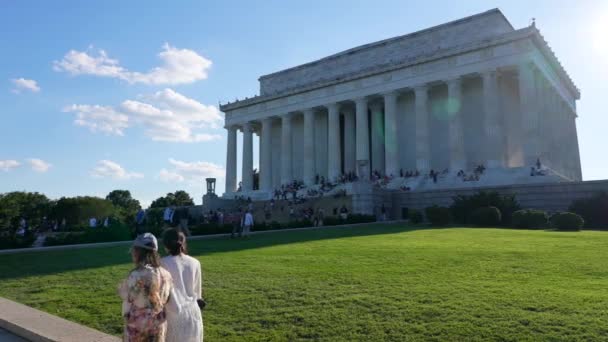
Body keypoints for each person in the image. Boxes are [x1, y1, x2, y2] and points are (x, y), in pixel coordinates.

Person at [118, 233, 173, 341]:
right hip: (158, 324)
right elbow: (167, 299)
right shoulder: (166, 274)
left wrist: (125, 315)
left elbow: (129, 300)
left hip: (138, 326)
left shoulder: (137, 275)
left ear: (138, 252)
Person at [161, 229, 204, 342]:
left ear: (165, 245)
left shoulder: (161, 263)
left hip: (172, 315)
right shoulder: (195, 262)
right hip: (193, 314)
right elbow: (198, 293)